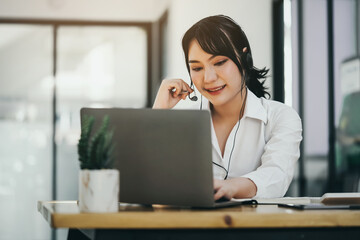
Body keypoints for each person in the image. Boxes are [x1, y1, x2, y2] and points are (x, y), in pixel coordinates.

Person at [153, 15, 302, 200]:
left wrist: (229, 188)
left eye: (219, 62)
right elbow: (152, 180)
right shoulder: (182, 122)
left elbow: (276, 177)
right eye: (197, 68)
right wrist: (157, 114)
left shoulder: (280, 117)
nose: (208, 78)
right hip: (191, 226)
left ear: (244, 59)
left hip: (257, 227)